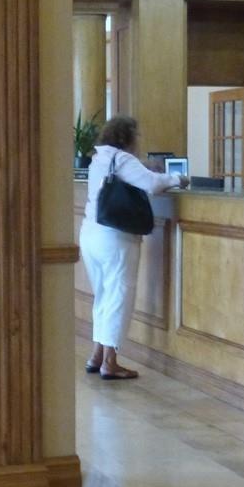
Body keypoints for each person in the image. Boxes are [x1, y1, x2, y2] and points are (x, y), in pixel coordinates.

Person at [79, 116, 186, 380]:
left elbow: (134, 176)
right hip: (116, 238)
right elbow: (152, 184)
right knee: (120, 296)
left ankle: (96, 355)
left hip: (91, 234)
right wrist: (177, 178)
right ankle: (110, 362)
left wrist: (146, 167)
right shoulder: (123, 159)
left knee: (103, 295)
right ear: (127, 137)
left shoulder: (99, 158)